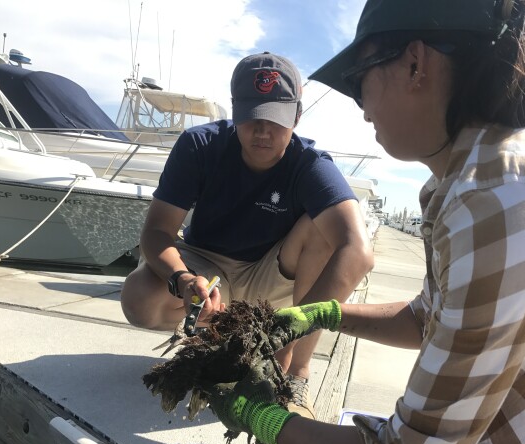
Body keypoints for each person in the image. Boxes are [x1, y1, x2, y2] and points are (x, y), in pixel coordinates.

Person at [206, 0, 525, 444]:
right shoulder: (480, 171)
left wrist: (263, 417)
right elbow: (428, 317)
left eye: (360, 76)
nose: (360, 104)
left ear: (415, 65)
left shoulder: (502, 196)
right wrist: (323, 314)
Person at [120, 51, 374, 418]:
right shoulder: (199, 146)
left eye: (275, 119)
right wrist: (182, 278)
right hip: (206, 263)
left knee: (324, 231)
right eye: (252, 117)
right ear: (235, 110)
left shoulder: (310, 165)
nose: (262, 131)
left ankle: (297, 371)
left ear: (297, 116)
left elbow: (359, 251)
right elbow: (157, 231)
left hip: (271, 274)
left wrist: (292, 328)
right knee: (138, 297)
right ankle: (214, 333)